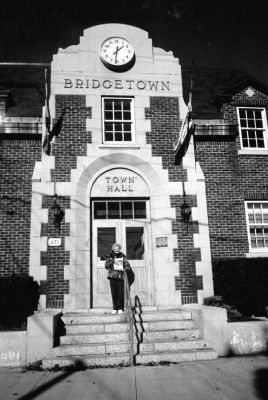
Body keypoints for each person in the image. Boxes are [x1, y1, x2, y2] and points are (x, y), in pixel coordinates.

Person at [105, 243, 131, 315]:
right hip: (112, 276)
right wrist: (110, 260)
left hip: (120, 277)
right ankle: (114, 308)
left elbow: (128, 266)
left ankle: (120, 308)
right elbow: (106, 266)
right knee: (114, 292)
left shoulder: (123, 256)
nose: (117, 250)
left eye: (118, 248)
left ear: (120, 249)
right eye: (115, 249)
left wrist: (124, 269)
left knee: (120, 293)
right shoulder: (110, 256)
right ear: (113, 249)